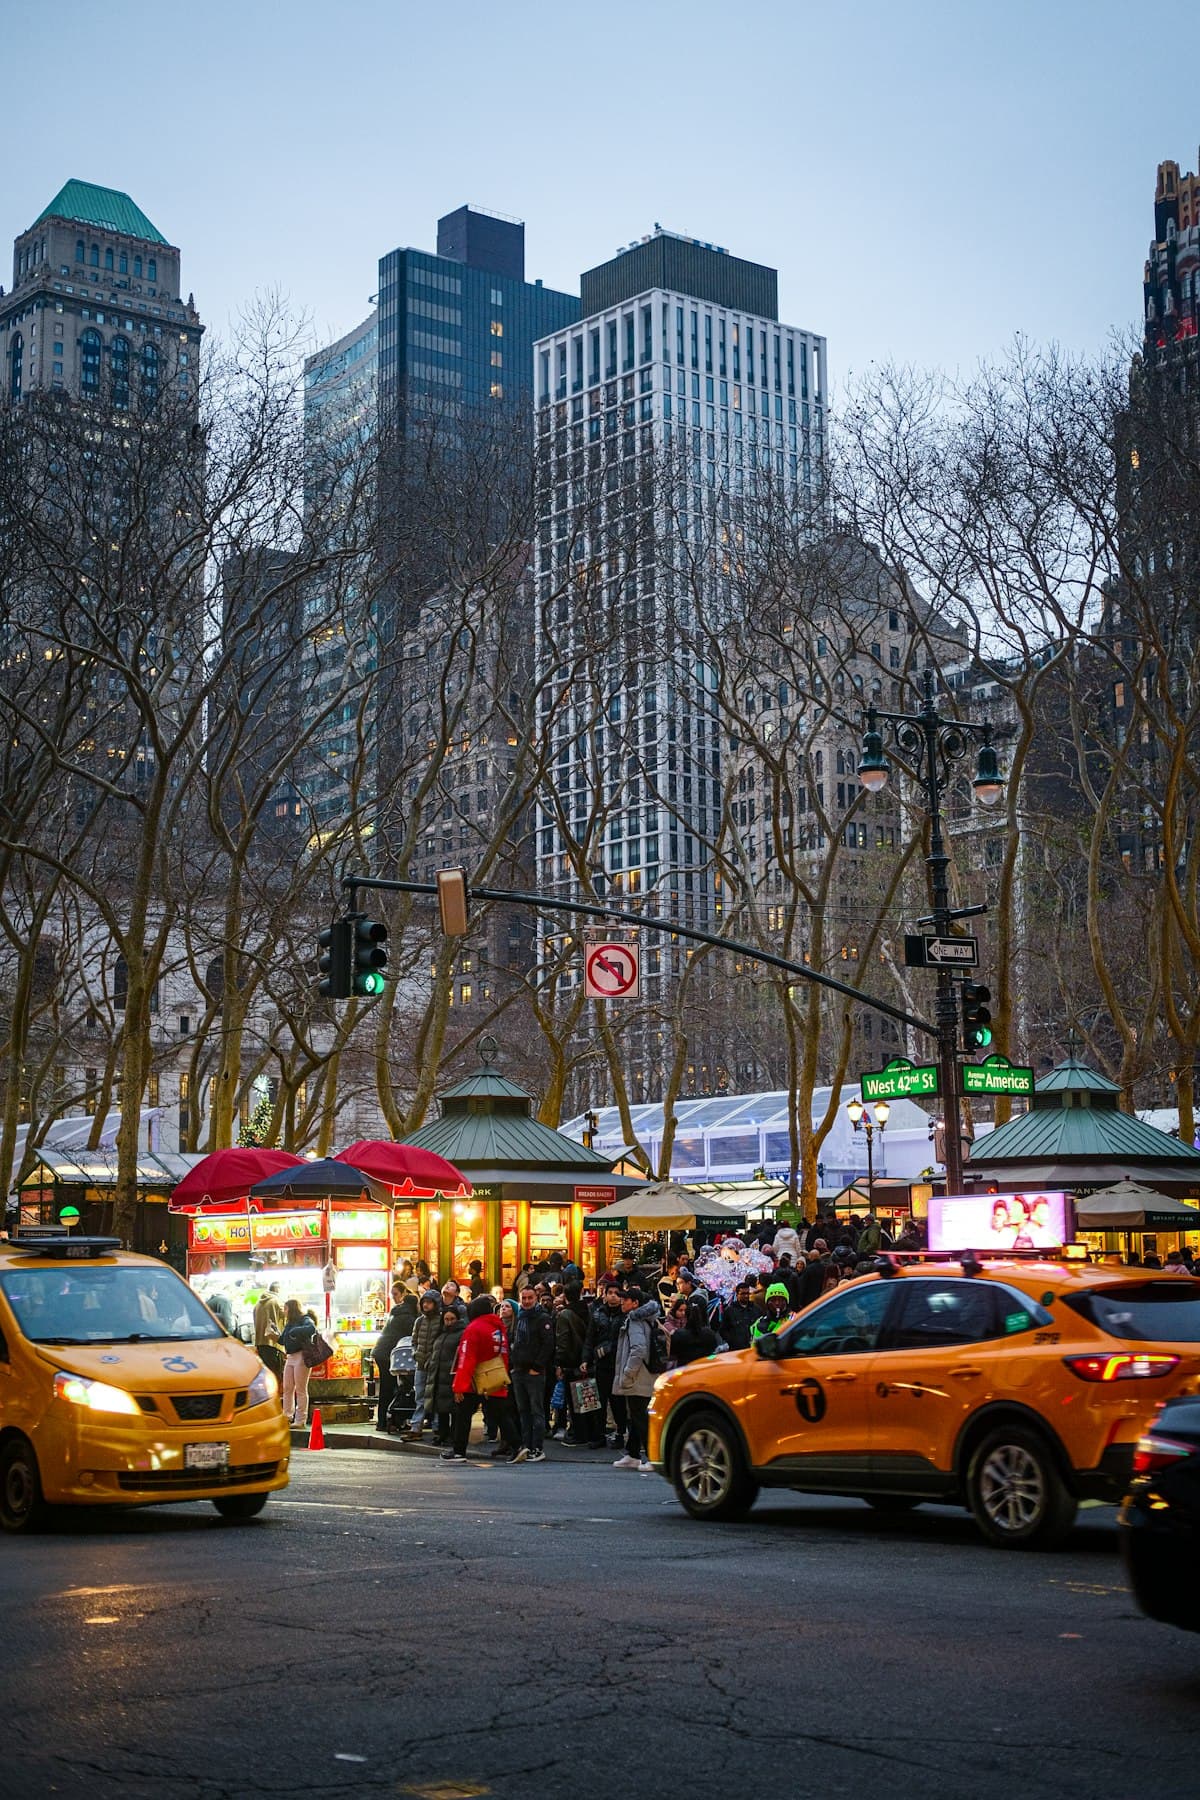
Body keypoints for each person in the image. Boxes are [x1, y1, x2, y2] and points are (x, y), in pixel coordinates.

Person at [444, 1295, 518, 1462]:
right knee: (500, 1414)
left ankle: (458, 1451)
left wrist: (459, 1386)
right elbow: (504, 1355)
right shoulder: (498, 1328)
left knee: (463, 1414)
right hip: (494, 1377)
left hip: (474, 1380)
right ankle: (517, 1446)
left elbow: (466, 1359)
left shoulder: (473, 1329)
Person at [612, 1287, 659, 1472]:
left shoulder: (635, 1321)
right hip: (645, 1375)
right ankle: (632, 1454)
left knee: (640, 1416)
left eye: (626, 1300)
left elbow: (638, 1349)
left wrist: (627, 1373)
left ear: (635, 1303)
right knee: (636, 1414)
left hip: (638, 1377)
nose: (622, 1302)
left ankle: (652, 1456)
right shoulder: (646, 1319)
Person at [509, 1283, 555, 1462]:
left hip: (533, 1372)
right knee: (523, 1411)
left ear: (536, 1298)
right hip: (519, 1370)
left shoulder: (542, 1318)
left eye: (530, 1298)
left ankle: (537, 1447)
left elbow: (548, 1344)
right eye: (524, 1298)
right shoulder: (520, 1317)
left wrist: (537, 1367)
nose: (527, 1301)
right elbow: (516, 1341)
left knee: (536, 1411)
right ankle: (526, 1445)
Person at [581, 1282, 626, 1447]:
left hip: (618, 1364)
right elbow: (589, 1339)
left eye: (616, 1293)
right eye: (610, 1293)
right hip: (601, 1365)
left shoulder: (625, 1315)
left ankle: (620, 1434)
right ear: (605, 1295)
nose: (613, 1296)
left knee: (618, 1402)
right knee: (598, 1401)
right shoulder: (597, 1314)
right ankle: (598, 1435)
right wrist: (585, 1359)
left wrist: (609, 1348)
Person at [373, 1281, 418, 1433]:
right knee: (389, 1388)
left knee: (387, 1387)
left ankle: (384, 1420)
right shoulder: (408, 1317)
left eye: (395, 1294)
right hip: (388, 1354)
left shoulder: (396, 1312)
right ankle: (386, 1421)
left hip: (381, 1351)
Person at [554, 1282, 590, 1445]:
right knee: (586, 1400)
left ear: (565, 1296)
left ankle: (578, 1433)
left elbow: (563, 1341)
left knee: (573, 1402)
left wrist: (560, 1363)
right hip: (587, 1360)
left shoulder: (565, 1315)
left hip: (571, 1361)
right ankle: (589, 1432)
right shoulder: (589, 1310)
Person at [428, 1304, 466, 1445]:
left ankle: (453, 1435)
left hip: (452, 1375)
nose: (449, 1322)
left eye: (452, 1319)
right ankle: (443, 1434)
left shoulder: (461, 1333)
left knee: (454, 1409)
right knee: (441, 1408)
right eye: (446, 1319)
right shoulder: (441, 1334)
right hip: (439, 1375)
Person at [407, 1288, 443, 1436]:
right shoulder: (419, 1321)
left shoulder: (440, 1320)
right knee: (420, 1396)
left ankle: (437, 1426)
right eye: (424, 1302)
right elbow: (414, 1341)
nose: (426, 1305)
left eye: (429, 1303)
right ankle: (416, 1426)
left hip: (435, 1365)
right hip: (420, 1364)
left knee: (434, 1396)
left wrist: (433, 1357)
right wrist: (415, 1353)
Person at [279, 1298, 318, 1427]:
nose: (283, 1311)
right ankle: (287, 1416)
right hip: (290, 1357)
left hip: (301, 1356)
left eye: (285, 1308)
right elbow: (282, 1340)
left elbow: (311, 1328)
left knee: (300, 1389)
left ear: (291, 1309)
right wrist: (274, 1332)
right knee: (287, 1387)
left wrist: (295, 1331)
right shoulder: (289, 1323)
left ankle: (300, 1420)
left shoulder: (304, 1319)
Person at [668, 1298, 718, 1366]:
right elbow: (713, 1353)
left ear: (686, 1316)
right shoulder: (709, 1333)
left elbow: (673, 1353)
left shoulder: (679, 1334)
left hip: (684, 1369)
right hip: (703, 1368)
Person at [253, 1281, 285, 1380]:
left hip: (260, 1343)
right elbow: (287, 1318)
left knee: (266, 1376)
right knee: (276, 1375)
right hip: (274, 1344)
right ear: (278, 1289)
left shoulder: (258, 1303)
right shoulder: (277, 1301)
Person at [720, 1281, 760, 1352]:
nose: (746, 1296)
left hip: (753, 1348)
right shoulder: (729, 1311)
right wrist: (732, 1341)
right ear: (737, 1294)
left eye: (747, 1293)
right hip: (736, 1349)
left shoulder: (756, 1309)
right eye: (743, 1294)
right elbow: (723, 1330)